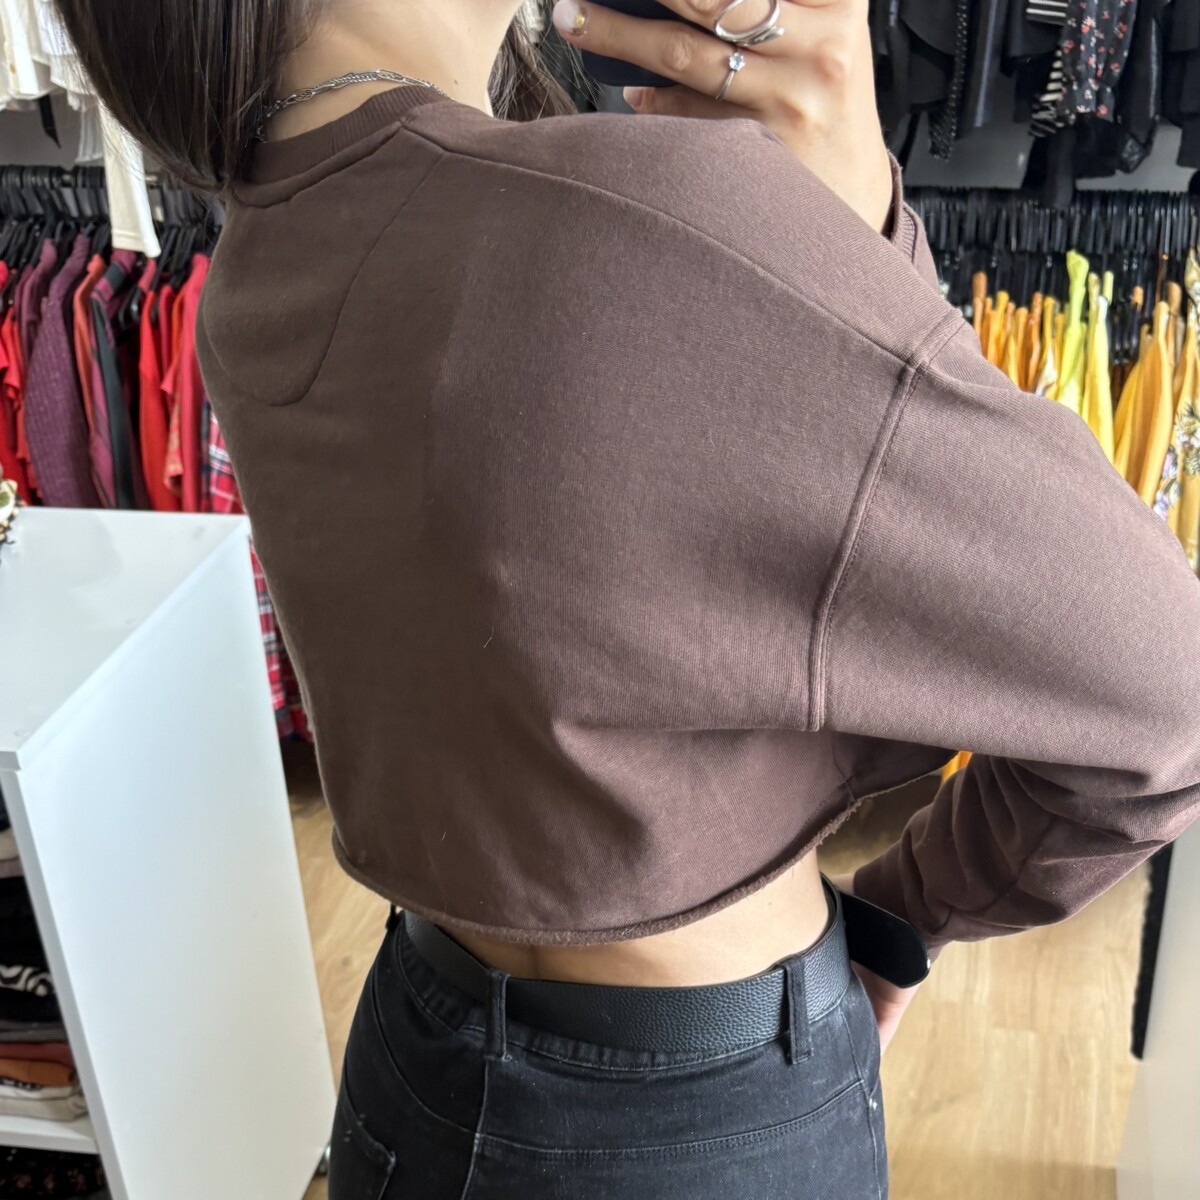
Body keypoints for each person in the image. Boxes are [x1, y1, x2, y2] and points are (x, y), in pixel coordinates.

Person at [53, 1, 1200, 1196]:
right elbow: (1166, 687)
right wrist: (909, 912)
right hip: (690, 1119)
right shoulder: (630, 223)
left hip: (417, 1050)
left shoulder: (261, 244)